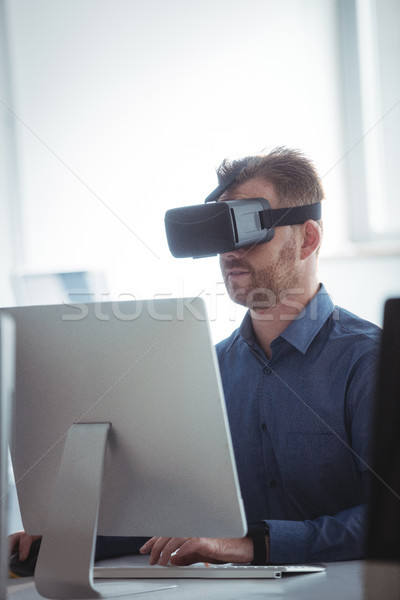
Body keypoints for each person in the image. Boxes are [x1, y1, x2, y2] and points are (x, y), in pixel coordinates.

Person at [10, 147, 381, 569]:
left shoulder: (371, 363)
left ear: (308, 239)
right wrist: (72, 537)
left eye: (247, 228)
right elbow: (177, 514)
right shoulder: (206, 369)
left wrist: (251, 545)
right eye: (220, 234)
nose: (228, 252)